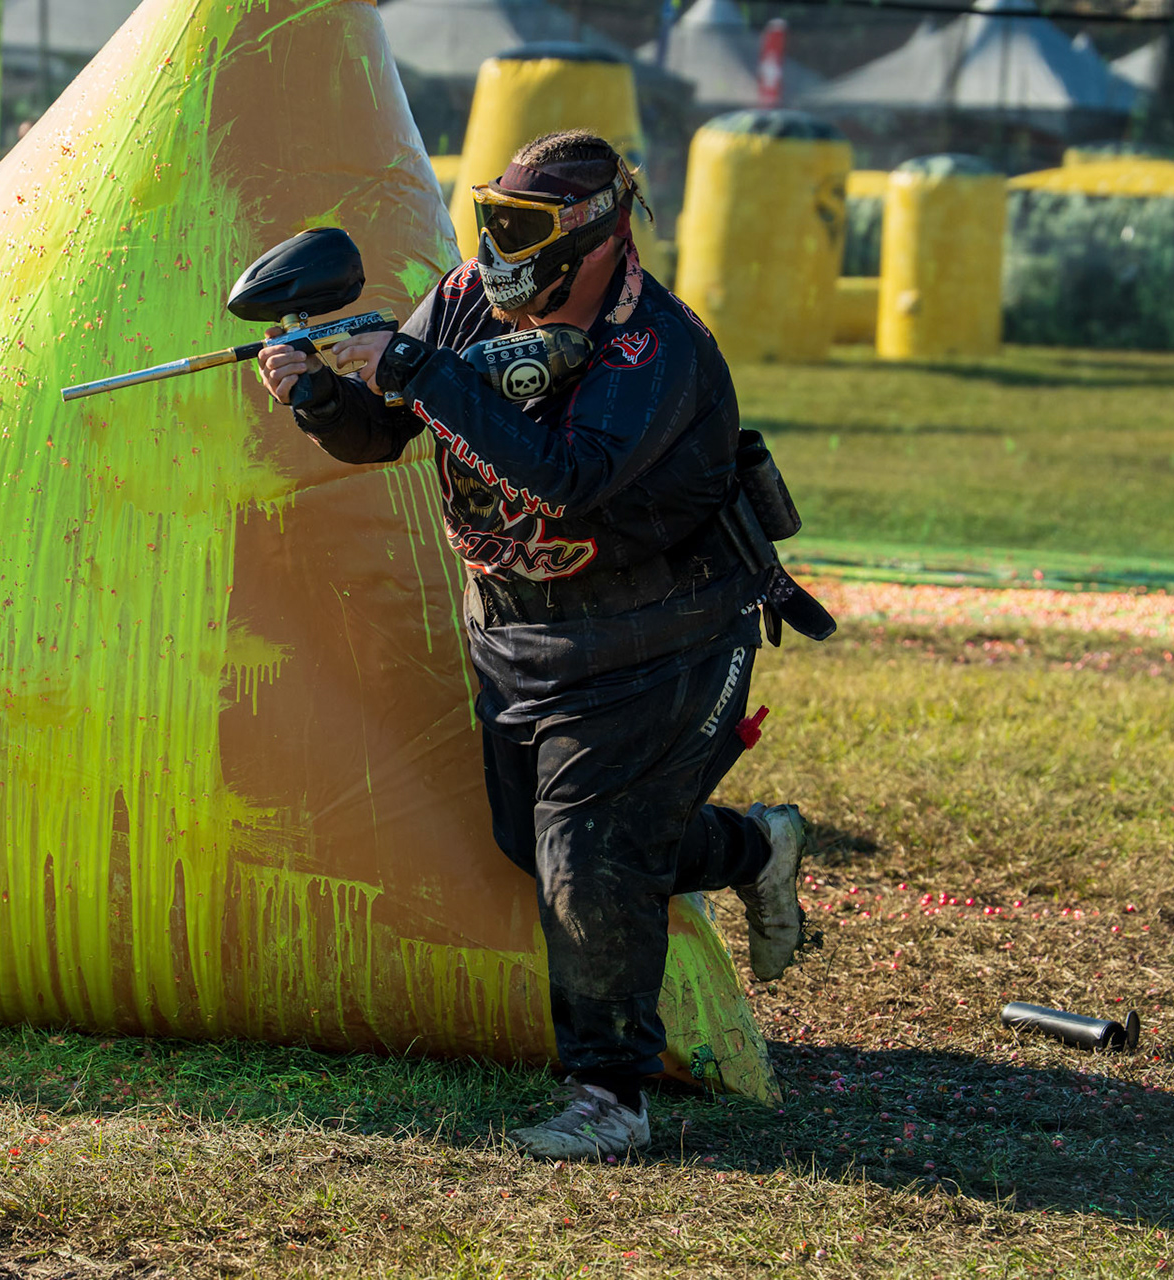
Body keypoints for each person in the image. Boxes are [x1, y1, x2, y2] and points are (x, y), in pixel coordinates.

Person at [254, 130, 833, 1162]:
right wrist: (319, 395)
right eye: (494, 218)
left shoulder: (656, 348)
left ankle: (611, 1094)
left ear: (597, 235)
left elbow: (568, 477)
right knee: (539, 847)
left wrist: (418, 369)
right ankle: (754, 848)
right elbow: (383, 431)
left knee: (586, 851)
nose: (498, 246)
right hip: (519, 636)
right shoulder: (465, 299)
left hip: (662, 638)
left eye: (524, 228)